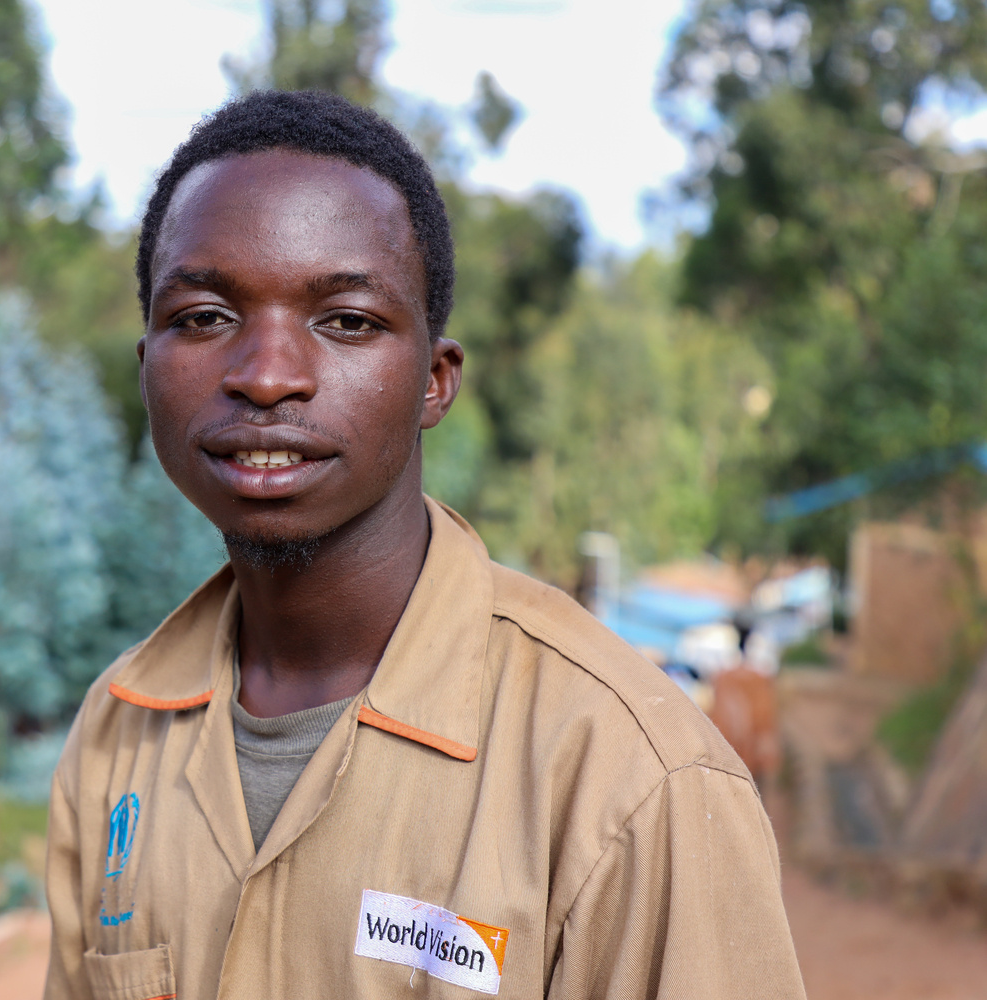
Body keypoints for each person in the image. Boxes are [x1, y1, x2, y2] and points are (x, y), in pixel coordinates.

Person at [43, 90, 805, 1000]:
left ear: (434, 384)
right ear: (148, 369)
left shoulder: (629, 776)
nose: (266, 375)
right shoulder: (116, 734)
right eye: (205, 317)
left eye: (348, 321)